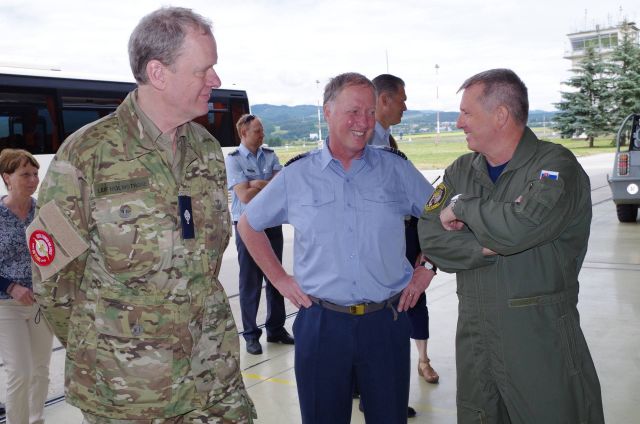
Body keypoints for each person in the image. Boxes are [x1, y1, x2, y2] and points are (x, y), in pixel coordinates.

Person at [27, 7, 255, 423]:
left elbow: (207, 259)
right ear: (158, 73)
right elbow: (53, 279)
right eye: (203, 69)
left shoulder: (205, 150)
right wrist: (107, 349)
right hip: (129, 393)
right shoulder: (85, 155)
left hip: (212, 378)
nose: (216, 80)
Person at [237, 72, 435, 423]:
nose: (364, 122)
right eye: (354, 111)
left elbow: (442, 218)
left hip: (385, 321)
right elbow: (248, 224)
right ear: (327, 112)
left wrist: (427, 267)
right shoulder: (297, 175)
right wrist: (280, 280)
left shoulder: (396, 170)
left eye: (370, 112)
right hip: (321, 322)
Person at [418, 68, 604, 423]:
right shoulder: (460, 170)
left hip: (539, 341)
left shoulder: (554, 167)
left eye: (466, 113)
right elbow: (430, 238)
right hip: (475, 344)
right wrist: (485, 246)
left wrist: (463, 208)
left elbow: (521, 228)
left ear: (500, 115)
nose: (458, 122)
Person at [370, 73, 439, 385]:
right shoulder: (368, 142)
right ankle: (376, 390)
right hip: (382, 244)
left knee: (410, 300)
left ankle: (410, 369)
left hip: (404, 234)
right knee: (384, 312)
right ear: (384, 100)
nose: (406, 107)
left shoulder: (385, 140)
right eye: (402, 99)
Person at [225, 113, 293, 355]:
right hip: (248, 226)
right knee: (250, 282)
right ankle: (251, 335)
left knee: (275, 278)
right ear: (244, 133)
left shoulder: (270, 155)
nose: (262, 134)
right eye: (257, 131)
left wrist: (256, 183)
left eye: (262, 130)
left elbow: (282, 187)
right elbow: (243, 196)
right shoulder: (233, 159)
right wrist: (267, 184)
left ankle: (276, 329)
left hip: (272, 223)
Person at [0, 149, 54, 424]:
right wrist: (11, 287)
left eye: (35, 174)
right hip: (6, 306)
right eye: (25, 174)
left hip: (40, 303)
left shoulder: (44, 211)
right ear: (7, 177)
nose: (33, 180)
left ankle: (36, 420)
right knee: (20, 372)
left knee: (41, 370)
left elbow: (60, 252)